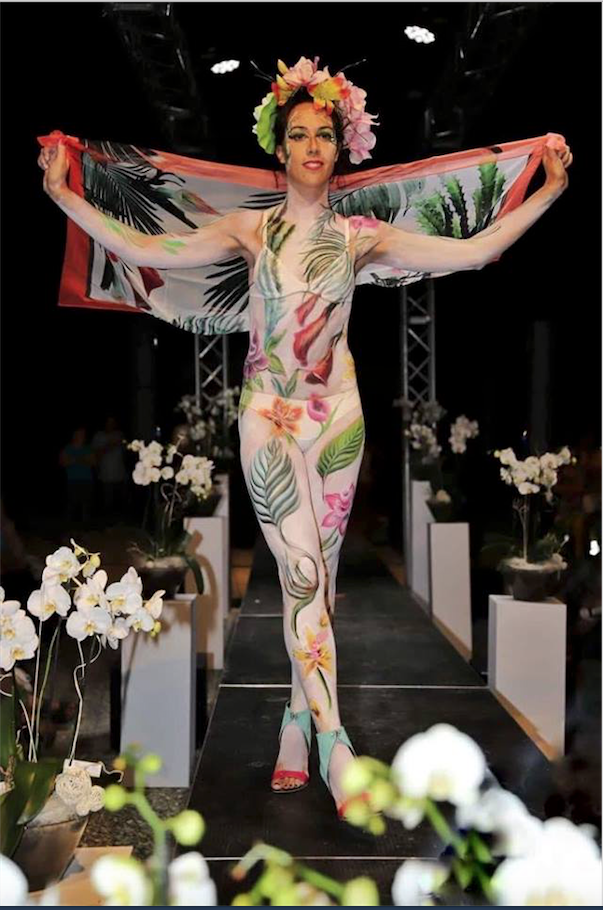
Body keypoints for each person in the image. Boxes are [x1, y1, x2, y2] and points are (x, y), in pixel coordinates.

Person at [38, 56, 572, 822]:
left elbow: (475, 252)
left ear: (339, 145)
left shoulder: (360, 236)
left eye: (323, 132)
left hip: (338, 422)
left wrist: (548, 190)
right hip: (269, 417)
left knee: (316, 583)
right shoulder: (249, 229)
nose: (312, 145)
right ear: (279, 149)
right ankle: (332, 740)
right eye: (298, 134)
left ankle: (294, 720)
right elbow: (149, 249)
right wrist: (64, 195)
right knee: (297, 572)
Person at [91, 416, 128, 527]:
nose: (111, 424)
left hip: (120, 473)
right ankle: (107, 524)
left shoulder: (119, 435)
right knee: (107, 500)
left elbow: (125, 452)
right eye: (109, 422)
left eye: (113, 422)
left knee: (121, 499)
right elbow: (95, 454)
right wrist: (109, 446)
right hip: (105, 473)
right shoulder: (99, 436)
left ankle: (121, 523)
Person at [59, 427, 96, 528]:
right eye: (80, 434)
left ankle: (85, 527)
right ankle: (68, 527)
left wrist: (74, 460)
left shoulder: (87, 448)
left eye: (83, 435)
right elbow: (63, 462)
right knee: (71, 504)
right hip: (73, 480)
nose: (82, 437)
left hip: (87, 480)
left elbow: (93, 462)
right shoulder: (68, 448)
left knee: (86, 504)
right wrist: (83, 460)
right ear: (75, 435)